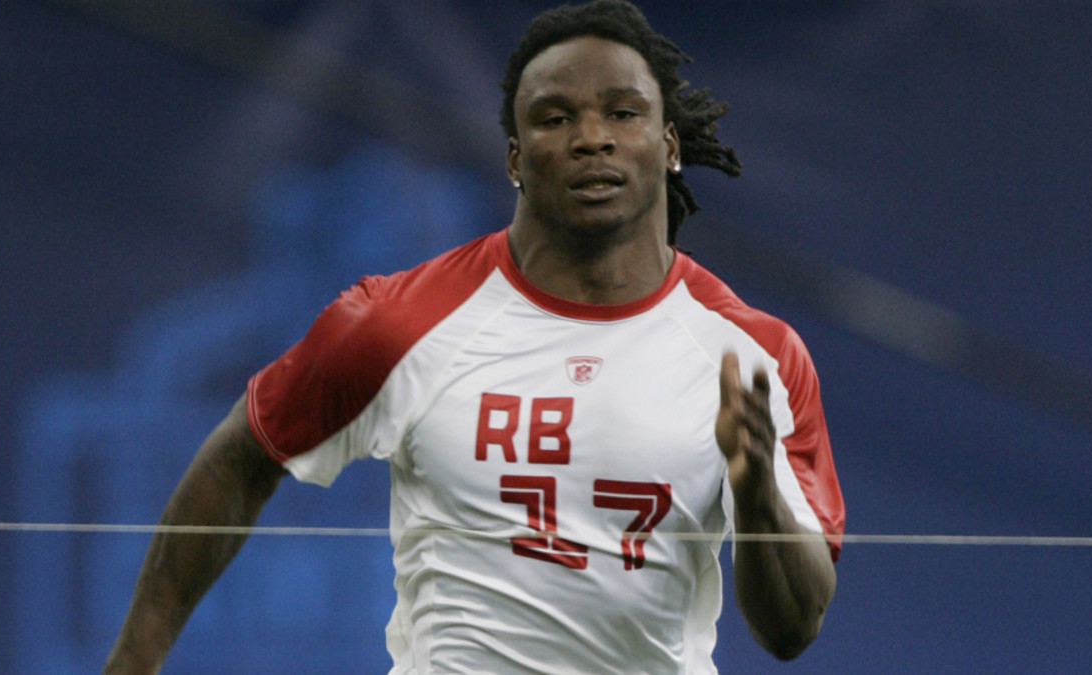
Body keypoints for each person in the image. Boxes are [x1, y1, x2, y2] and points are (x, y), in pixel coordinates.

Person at [105, 0, 845, 672]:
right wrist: (134, 660)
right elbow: (245, 455)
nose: (593, 138)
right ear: (515, 159)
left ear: (669, 144)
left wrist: (756, 491)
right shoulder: (399, 320)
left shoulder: (754, 356)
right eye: (555, 118)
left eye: (624, 113)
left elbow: (793, 629)